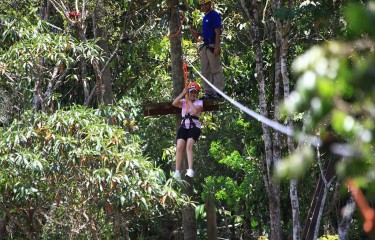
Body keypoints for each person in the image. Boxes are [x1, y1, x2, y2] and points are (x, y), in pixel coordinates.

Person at [172, 82, 203, 178]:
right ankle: (177, 171)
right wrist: (183, 93)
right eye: (191, 92)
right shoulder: (183, 102)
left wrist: (188, 101)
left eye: (195, 92)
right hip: (184, 126)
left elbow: (194, 111)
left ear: (197, 94)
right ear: (188, 93)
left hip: (194, 126)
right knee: (180, 145)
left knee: (189, 145)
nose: (193, 94)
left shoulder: (199, 102)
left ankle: (190, 169)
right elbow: (174, 103)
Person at [199, 0, 225, 99]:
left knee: (215, 69)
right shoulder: (205, 17)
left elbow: (217, 32)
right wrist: (198, 34)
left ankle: (218, 92)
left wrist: (217, 46)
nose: (204, 6)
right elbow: (207, 32)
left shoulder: (214, 15)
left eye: (206, 4)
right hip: (205, 44)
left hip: (212, 44)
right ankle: (208, 92)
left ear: (210, 4)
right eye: (203, 5)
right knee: (205, 69)